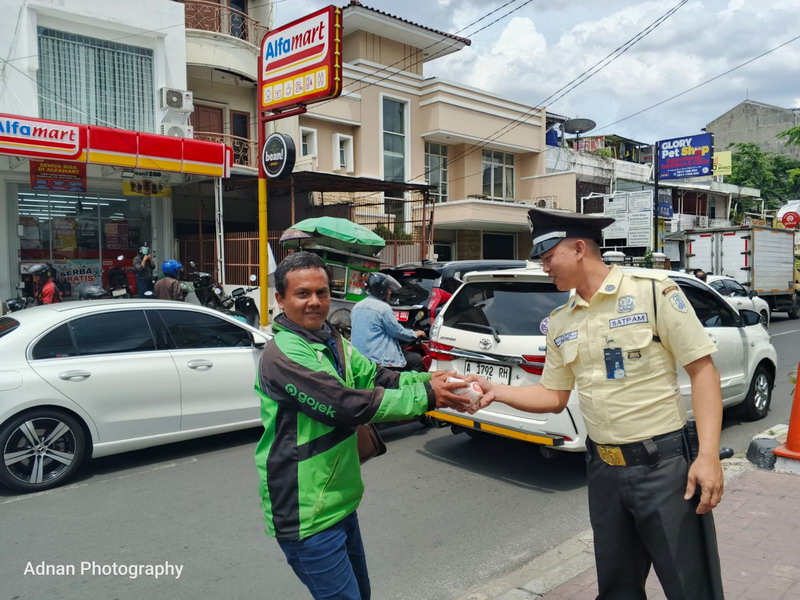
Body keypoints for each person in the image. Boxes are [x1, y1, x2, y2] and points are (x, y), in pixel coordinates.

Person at [467, 208, 725, 600]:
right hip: (604, 472)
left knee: (690, 587)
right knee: (617, 589)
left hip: (663, 468)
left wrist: (708, 457)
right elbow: (554, 396)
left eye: (548, 257)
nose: (544, 267)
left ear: (578, 249)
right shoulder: (561, 321)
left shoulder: (652, 292)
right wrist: (496, 391)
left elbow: (703, 371)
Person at [254, 252, 469, 600]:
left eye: (322, 292)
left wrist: (429, 379)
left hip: (340, 502)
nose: (314, 302)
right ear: (280, 299)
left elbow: (375, 376)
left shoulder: (331, 339)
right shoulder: (283, 355)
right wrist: (430, 396)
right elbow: (345, 405)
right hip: (306, 511)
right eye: (302, 293)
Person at [350, 272, 426, 371]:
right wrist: (416, 333)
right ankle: (401, 381)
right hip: (378, 360)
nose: (390, 292)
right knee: (417, 360)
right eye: (389, 290)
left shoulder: (357, 306)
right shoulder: (383, 308)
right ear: (382, 291)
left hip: (357, 358)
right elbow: (398, 332)